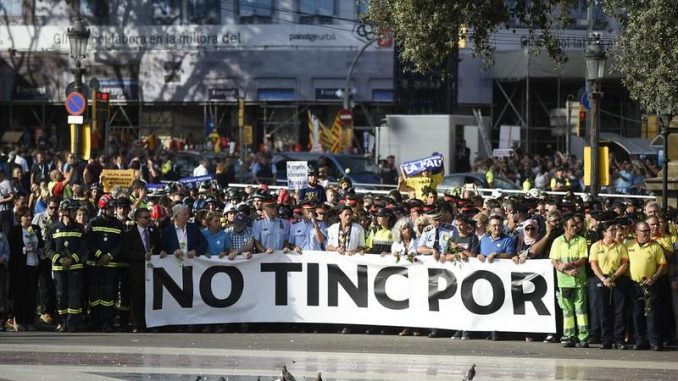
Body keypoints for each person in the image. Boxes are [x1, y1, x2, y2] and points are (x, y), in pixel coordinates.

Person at [45, 199, 88, 332]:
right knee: (61, 296)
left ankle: (72, 323)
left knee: (74, 296)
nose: (76, 213)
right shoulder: (53, 228)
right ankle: (63, 322)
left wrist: (73, 259)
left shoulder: (79, 228)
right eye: (73, 210)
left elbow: (84, 247)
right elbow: (48, 248)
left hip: (75, 268)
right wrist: (58, 259)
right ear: (65, 211)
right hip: (59, 269)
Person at [85, 195, 125, 332]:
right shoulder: (93, 223)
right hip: (95, 265)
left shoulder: (118, 224)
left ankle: (107, 322)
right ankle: (95, 321)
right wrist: (99, 255)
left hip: (111, 265)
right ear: (103, 208)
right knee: (94, 295)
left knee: (109, 295)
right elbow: (89, 242)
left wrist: (109, 256)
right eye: (110, 207)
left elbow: (121, 244)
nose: (113, 210)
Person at [626, 221, 668, 351]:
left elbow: (662, 264)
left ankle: (654, 341)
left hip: (650, 284)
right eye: (643, 231)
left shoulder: (655, 246)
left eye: (647, 231)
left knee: (652, 314)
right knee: (637, 313)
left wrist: (654, 277)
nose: (646, 233)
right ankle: (640, 340)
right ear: (636, 232)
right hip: (634, 284)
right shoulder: (629, 245)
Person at [589, 220, 629, 349]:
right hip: (601, 279)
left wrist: (613, 277)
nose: (614, 232)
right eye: (611, 230)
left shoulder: (620, 246)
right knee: (603, 311)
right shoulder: (596, 246)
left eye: (614, 230)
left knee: (619, 311)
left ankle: (619, 340)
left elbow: (624, 264)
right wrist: (603, 278)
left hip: (616, 278)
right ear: (604, 232)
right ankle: (606, 339)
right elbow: (594, 264)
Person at [550, 216, 589, 348]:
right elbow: (555, 262)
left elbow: (582, 259)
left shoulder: (581, 240)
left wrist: (568, 265)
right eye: (571, 226)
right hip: (564, 281)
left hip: (579, 281)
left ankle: (583, 336)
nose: (575, 228)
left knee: (581, 310)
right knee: (567, 311)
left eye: (575, 225)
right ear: (565, 227)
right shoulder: (557, 241)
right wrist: (567, 272)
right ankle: (569, 336)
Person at [122, 207, 161, 333]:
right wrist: (141, 256)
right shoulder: (130, 234)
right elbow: (126, 252)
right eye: (145, 217)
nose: (148, 219)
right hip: (137, 270)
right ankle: (139, 324)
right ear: (137, 219)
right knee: (138, 298)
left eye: (149, 217)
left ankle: (152, 323)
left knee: (151, 297)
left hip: (152, 270)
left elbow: (159, 246)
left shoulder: (153, 231)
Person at [8, 206, 43, 331]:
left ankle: (29, 320)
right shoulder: (15, 231)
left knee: (31, 294)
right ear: (20, 218)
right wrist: (25, 249)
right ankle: (19, 320)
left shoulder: (35, 229)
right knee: (20, 294)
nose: (29, 218)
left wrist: (38, 250)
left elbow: (41, 244)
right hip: (20, 267)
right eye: (26, 216)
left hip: (33, 265)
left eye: (30, 215)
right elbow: (12, 248)